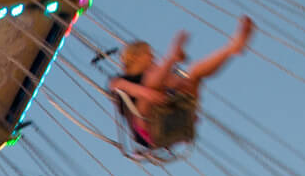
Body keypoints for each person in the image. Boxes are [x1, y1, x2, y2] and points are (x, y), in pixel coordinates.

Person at [107, 16, 253, 151]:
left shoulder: (153, 72)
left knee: (194, 72)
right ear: (135, 57)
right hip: (149, 130)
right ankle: (172, 58)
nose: (152, 57)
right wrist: (148, 91)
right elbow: (128, 89)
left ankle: (232, 48)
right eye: (148, 54)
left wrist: (186, 81)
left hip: (172, 122)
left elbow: (178, 84)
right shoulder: (119, 80)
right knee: (150, 83)